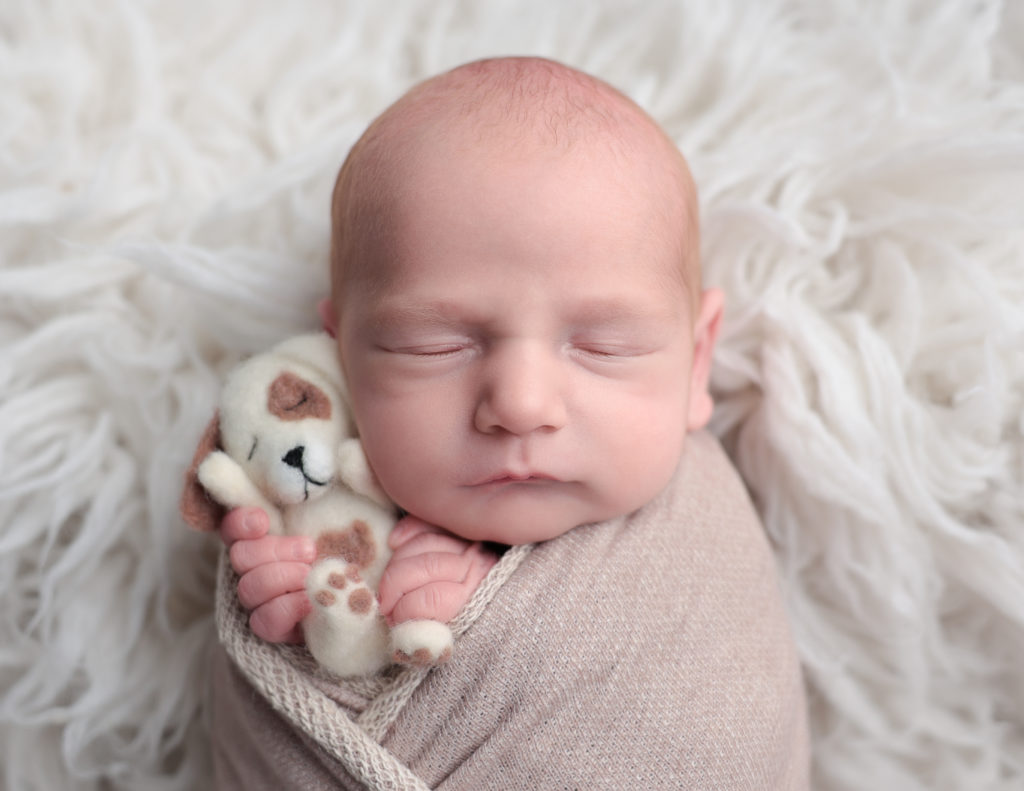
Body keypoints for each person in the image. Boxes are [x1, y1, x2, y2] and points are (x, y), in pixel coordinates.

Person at [208, 56, 809, 789]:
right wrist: (308, 619)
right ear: (342, 358)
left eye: (602, 344)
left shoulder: (697, 556)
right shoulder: (315, 500)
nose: (521, 403)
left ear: (695, 363)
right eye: (436, 345)